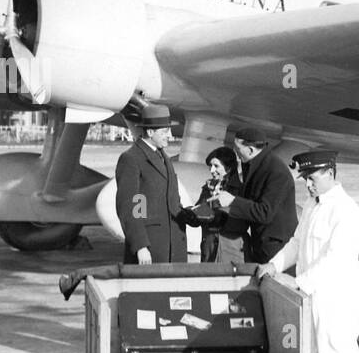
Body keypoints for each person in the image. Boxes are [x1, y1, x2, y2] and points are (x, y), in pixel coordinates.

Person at [256, 150, 359, 353]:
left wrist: (299, 282)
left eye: (313, 178)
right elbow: (296, 242)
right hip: (312, 293)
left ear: (330, 173)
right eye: (305, 179)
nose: (308, 184)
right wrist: (275, 264)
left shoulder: (346, 210)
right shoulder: (313, 204)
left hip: (338, 294)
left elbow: (336, 259)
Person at [114, 104, 191, 265]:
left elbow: (172, 201)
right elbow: (132, 208)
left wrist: (192, 215)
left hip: (174, 246)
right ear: (150, 132)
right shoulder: (132, 159)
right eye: (164, 132)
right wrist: (140, 246)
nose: (169, 135)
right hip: (152, 248)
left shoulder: (164, 157)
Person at [209, 126, 298, 264]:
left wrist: (233, 201)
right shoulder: (254, 165)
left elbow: (265, 213)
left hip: (277, 250)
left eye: (238, 149)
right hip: (261, 244)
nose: (235, 153)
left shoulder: (276, 171)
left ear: (250, 150)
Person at [189, 145, 247, 266]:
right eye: (210, 166)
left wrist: (215, 216)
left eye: (216, 166)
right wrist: (188, 214)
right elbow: (197, 214)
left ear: (229, 168)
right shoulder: (207, 188)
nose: (211, 170)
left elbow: (241, 222)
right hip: (209, 249)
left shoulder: (240, 190)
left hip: (230, 249)